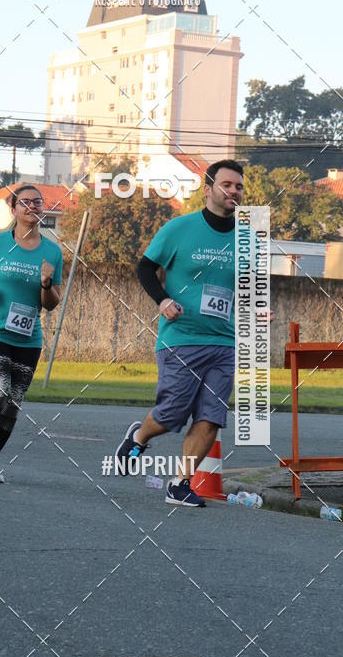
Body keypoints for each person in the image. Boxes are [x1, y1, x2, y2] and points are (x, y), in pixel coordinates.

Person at [115, 159, 273, 507]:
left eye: (239, 187)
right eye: (227, 185)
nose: (234, 191)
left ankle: (180, 483)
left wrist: (257, 311)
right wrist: (162, 299)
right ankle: (139, 436)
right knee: (172, 414)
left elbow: (247, 288)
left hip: (225, 342)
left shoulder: (248, 238)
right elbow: (144, 267)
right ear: (208, 190)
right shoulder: (178, 228)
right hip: (181, 337)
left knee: (211, 417)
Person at [0, 184, 63, 482]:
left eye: (37, 201)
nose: (32, 206)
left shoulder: (53, 251)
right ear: (14, 209)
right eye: (25, 202)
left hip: (28, 337)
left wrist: (46, 284)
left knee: (13, 403)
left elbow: (51, 304)